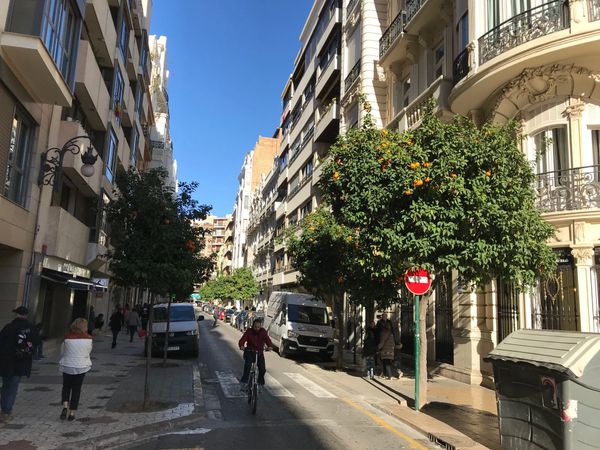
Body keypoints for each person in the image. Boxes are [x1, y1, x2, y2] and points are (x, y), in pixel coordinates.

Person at [0, 306, 39, 423]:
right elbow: (37, 343)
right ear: (26, 315)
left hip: (6, 362)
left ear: (16, 314)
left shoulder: (9, 327)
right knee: (13, 387)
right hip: (22, 362)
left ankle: (5, 410)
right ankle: (6, 412)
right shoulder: (31, 328)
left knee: (6, 386)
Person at [59, 318, 92, 421]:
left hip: (67, 365)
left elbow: (62, 352)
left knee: (66, 386)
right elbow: (88, 352)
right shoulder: (89, 339)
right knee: (76, 389)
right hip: (81, 367)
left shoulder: (67, 338)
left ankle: (65, 406)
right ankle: (72, 412)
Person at [238, 319, 272, 390]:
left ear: (261, 327)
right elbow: (242, 340)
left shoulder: (263, 332)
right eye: (255, 327)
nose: (257, 328)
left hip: (259, 353)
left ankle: (260, 382)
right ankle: (244, 382)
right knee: (247, 366)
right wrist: (241, 346)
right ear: (252, 326)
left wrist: (269, 346)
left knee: (262, 369)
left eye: (258, 327)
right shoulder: (249, 331)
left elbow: (267, 340)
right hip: (249, 352)